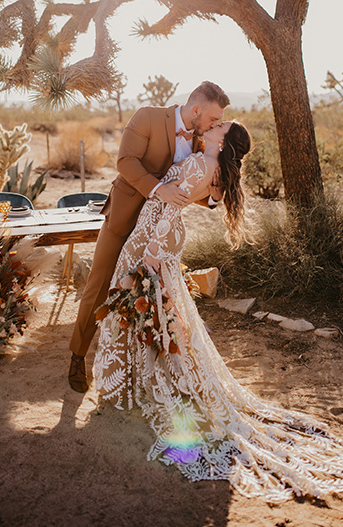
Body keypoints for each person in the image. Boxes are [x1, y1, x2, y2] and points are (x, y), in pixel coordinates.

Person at [93, 120, 343, 501]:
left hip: (153, 239)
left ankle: (147, 388)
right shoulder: (213, 168)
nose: (213, 124)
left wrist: (149, 254)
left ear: (223, 138)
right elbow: (209, 199)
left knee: (146, 308)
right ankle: (144, 381)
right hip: (161, 238)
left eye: (220, 124)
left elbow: (170, 207)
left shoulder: (201, 163)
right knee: (156, 313)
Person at [69, 81, 230, 392]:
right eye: (212, 119)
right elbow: (126, 162)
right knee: (100, 284)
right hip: (125, 217)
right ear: (195, 109)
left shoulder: (200, 142)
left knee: (152, 298)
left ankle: (133, 370)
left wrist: (213, 195)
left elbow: (188, 186)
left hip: (158, 231)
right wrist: (158, 189)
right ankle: (78, 355)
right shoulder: (147, 117)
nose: (215, 125)